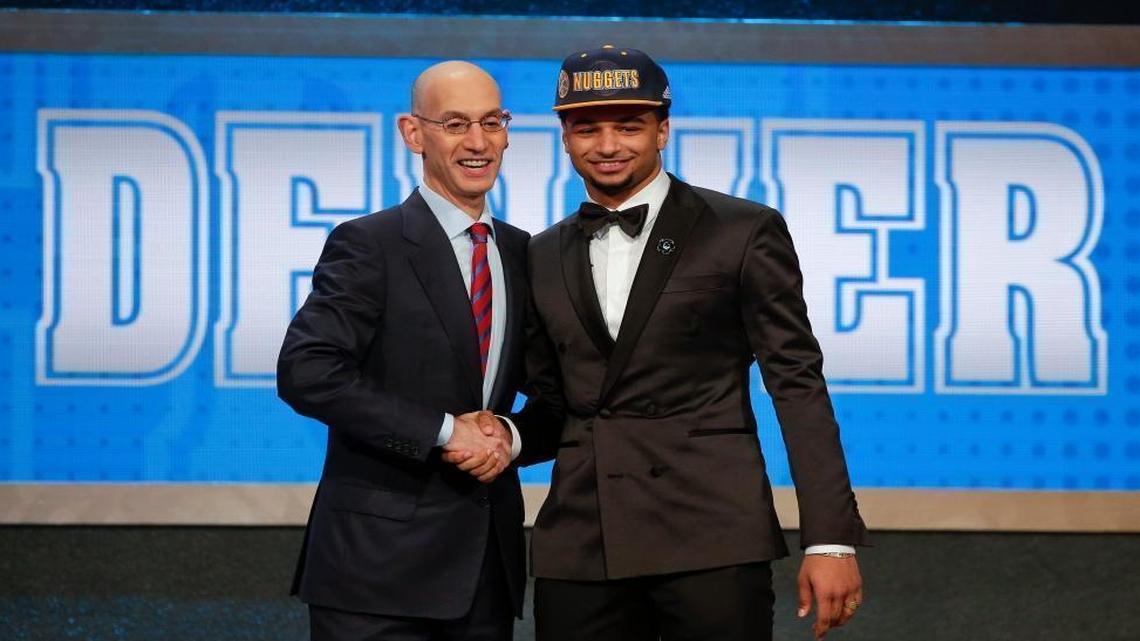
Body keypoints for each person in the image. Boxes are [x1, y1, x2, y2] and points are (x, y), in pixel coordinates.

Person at [478, 45, 868, 641]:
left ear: (662, 130)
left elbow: (797, 385)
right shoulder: (540, 252)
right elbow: (557, 404)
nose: (607, 145)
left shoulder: (741, 230)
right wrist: (502, 436)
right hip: (583, 543)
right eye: (588, 129)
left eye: (628, 126)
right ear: (565, 138)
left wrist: (831, 539)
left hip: (711, 536)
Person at [277, 60, 530, 641]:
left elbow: (557, 391)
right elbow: (308, 371)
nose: (477, 142)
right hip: (375, 575)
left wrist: (509, 436)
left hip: (485, 574)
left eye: (492, 122)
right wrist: (445, 431)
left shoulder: (521, 252)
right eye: (455, 124)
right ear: (413, 133)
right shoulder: (369, 244)